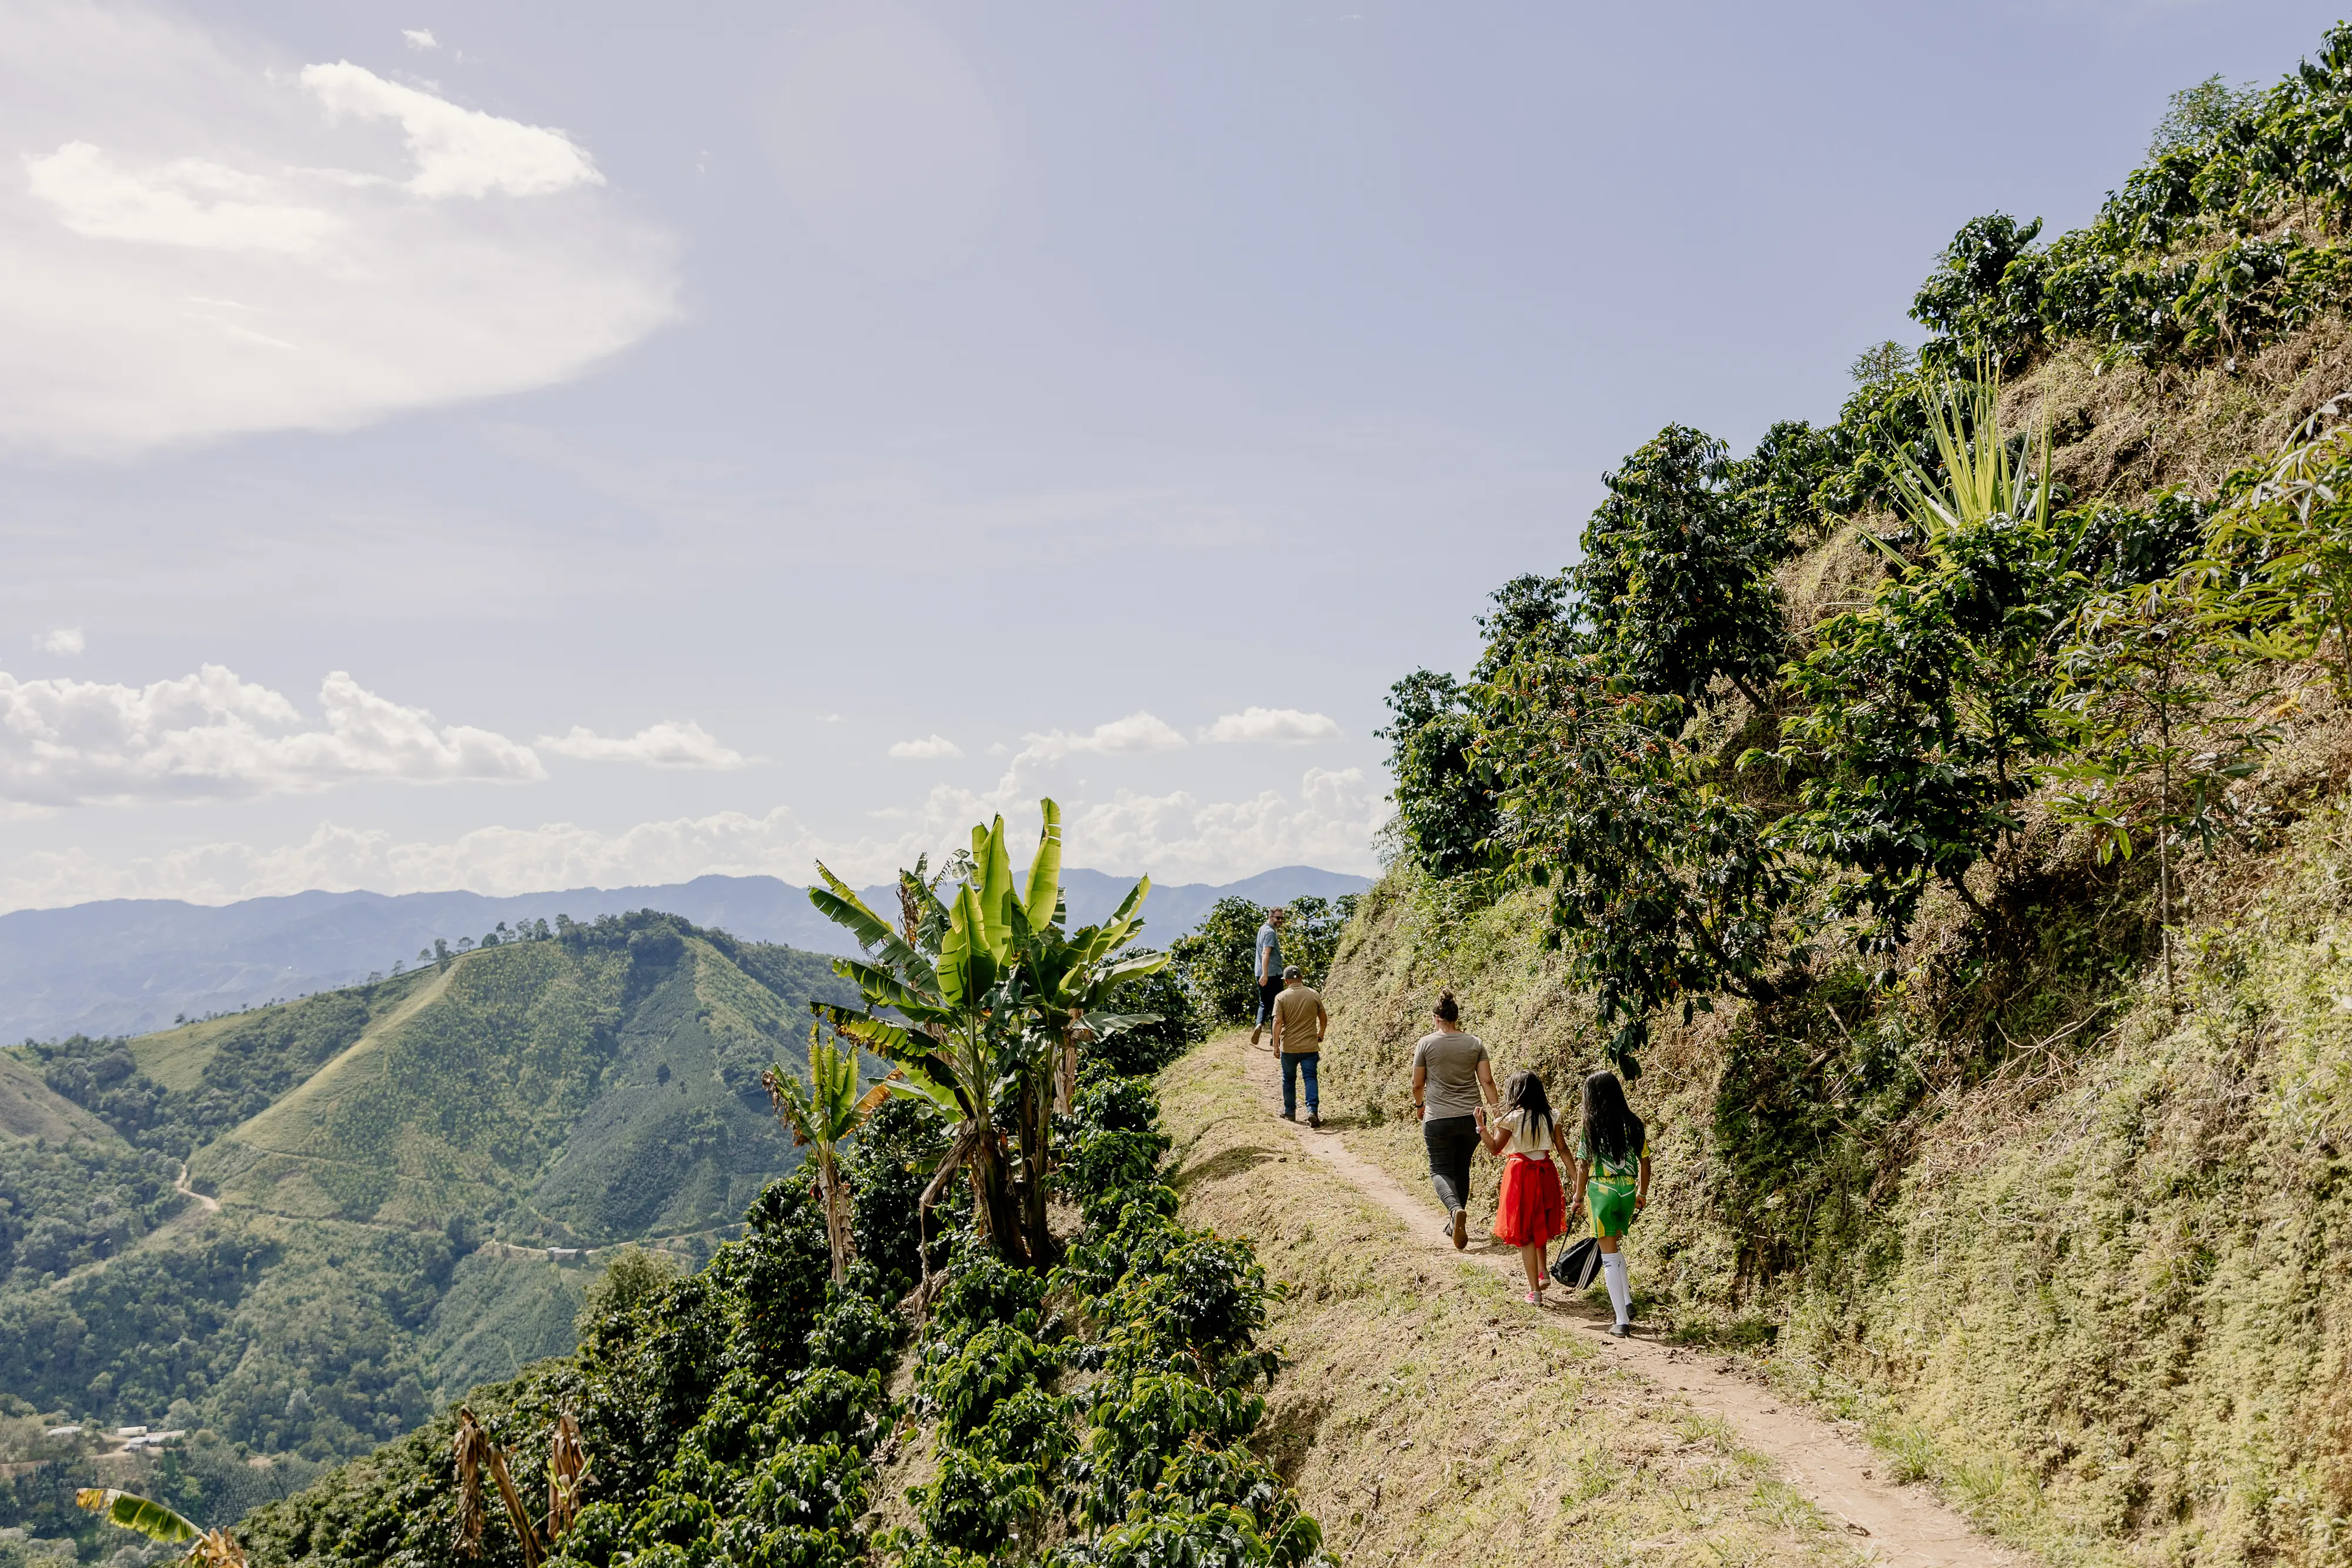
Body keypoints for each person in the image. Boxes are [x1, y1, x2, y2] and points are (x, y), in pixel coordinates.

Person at [1409, 989, 1498, 1251]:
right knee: (1462, 1168)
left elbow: (1417, 1084)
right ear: (1456, 1017)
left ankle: (1455, 1210)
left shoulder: (1425, 1044)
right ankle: (1454, 1220)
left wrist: (1419, 1105)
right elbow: (1487, 1081)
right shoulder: (1474, 1043)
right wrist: (1498, 1113)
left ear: (1436, 1018)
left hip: (1438, 1117)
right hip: (1472, 1118)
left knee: (1439, 1169)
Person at [1569, 1069, 1651, 1336]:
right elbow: (1645, 1161)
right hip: (1628, 1192)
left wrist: (1578, 1198)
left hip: (1602, 1192)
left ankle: (1621, 1321)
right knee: (1615, 1248)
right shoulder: (1634, 1123)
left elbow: (1583, 1165)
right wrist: (1642, 1193)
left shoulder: (1591, 1125)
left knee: (1609, 1258)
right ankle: (1627, 1303)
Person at [1476, 1069, 1566, 1303]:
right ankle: (1543, 1271)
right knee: (1541, 1224)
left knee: (1526, 1233)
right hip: (1546, 1172)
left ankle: (1534, 1291)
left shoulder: (1513, 1119)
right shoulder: (1551, 1115)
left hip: (1521, 1175)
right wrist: (1576, 1176)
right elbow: (1563, 1148)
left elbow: (1495, 1148)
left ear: (1514, 1092)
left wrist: (1481, 1128)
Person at [1268, 964, 1327, 1126]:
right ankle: (1312, 1110)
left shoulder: (1281, 997)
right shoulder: (1313, 994)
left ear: (1286, 981)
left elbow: (1277, 1021)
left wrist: (1276, 1046)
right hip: (1310, 1046)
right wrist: (1320, 1033)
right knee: (1310, 1078)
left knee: (1289, 1079)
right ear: (1301, 978)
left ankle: (1290, 1111)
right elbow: (1323, 1017)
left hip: (1289, 1047)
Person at [1249, 908, 1288, 1046]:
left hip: (1259, 972)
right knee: (1276, 1006)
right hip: (1272, 974)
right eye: (1278, 918)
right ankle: (1274, 1038)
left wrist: (1262, 974)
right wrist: (1266, 974)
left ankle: (1259, 1024)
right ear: (1271, 917)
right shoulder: (1270, 933)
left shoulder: (1262, 929)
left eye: (1282, 918)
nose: (1280, 921)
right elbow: (1266, 953)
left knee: (1264, 1003)